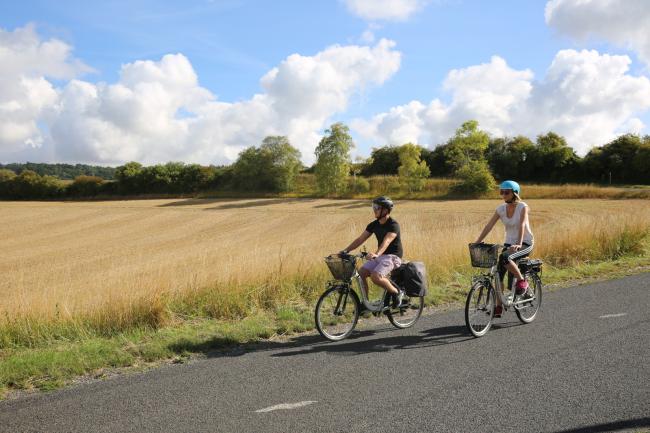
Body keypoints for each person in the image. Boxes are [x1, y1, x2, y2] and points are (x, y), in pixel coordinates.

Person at [474, 180, 534, 317]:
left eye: (506, 192)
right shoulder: (501, 209)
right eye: (501, 192)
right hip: (509, 243)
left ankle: (521, 281)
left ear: (515, 193)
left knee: (506, 257)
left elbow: (522, 225)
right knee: (498, 275)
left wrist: (518, 243)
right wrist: (478, 241)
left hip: (525, 242)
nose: (503, 195)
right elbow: (489, 225)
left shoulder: (522, 207)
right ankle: (498, 306)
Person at [341, 196, 405, 308]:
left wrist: (376, 254)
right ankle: (366, 304)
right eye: (373, 207)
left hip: (392, 257)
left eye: (377, 207)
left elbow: (387, 241)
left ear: (385, 210)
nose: (374, 209)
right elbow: (360, 239)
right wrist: (346, 250)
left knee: (376, 276)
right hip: (380, 256)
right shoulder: (374, 224)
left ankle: (397, 293)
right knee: (361, 274)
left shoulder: (393, 225)